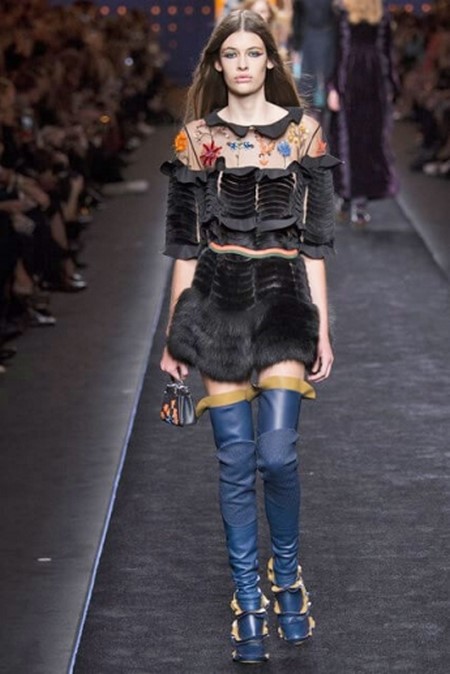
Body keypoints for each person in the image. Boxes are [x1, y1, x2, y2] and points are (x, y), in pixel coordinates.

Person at [160, 8, 338, 664]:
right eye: (230, 54)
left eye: (252, 53)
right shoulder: (196, 139)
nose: (241, 64)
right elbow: (184, 247)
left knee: (278, 454)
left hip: (284, 301)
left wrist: (323, 329)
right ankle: (249, 599)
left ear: (269, 60)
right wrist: (174, 335)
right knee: (236, 459)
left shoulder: (304, 133)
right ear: (217, 64)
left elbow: (314, 245)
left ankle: (286, 577)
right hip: (217, 301)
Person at [327, 0, 399, 226]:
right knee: (360, 142)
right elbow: (386, 57)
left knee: (353, 142)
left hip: (357, 84)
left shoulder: (348, 16)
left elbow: (339, 54)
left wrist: (333, 87)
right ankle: (353, 200)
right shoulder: (376, 17)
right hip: (367, 84)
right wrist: (390, 88)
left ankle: (350, 198)